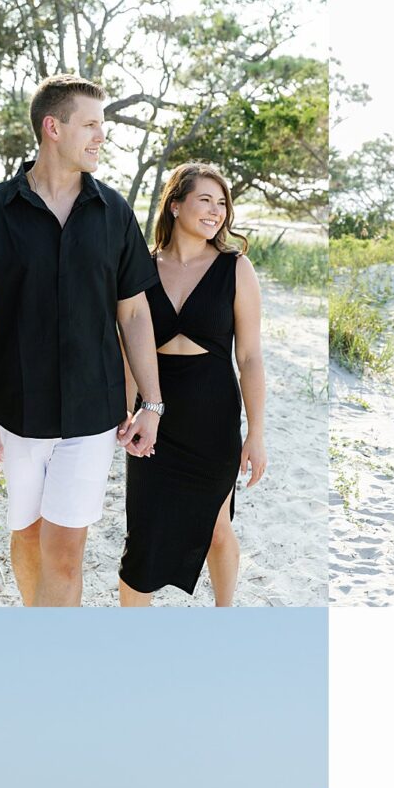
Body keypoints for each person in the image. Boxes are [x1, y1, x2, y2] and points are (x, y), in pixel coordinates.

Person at [0, 76, 164, 607]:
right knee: (28, 537)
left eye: (102, 127)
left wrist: (150, 402)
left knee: (64, 555)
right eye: (90, 125)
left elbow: (132, 314)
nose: (100, 137)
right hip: (17, 410)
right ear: (52, 127)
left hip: (92, 411)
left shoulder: (115, 213)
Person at [118, 164, 266, 606]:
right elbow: (127, 350)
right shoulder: (139, 267)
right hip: (154, 411)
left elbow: (251, 357)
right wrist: (125, 415)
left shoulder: (235, 268)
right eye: (205, 200)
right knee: (143, 534)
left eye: (222, 204)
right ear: (176, 203)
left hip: (212, 409)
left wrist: (255, 433)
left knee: (216, 529)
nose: (216, 211)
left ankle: (225, 616)